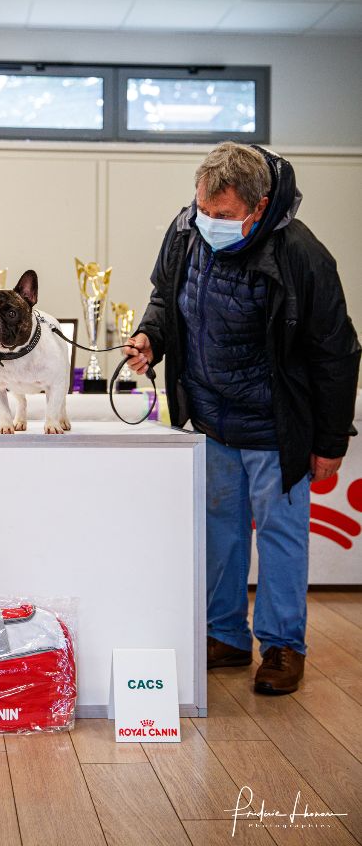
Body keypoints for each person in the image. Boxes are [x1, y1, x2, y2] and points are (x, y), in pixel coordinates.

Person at [124, 142, 360, 694]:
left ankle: (282, 646)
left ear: (260, 206)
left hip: (276, 428)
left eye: (223, 216)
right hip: (210, 417)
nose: (209, 223)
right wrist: (149, 338)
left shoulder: (302, 254)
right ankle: (226, 635)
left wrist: (330, 441)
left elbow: (337, 352)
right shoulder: (186, 230)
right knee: (219, 535)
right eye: (203, 209)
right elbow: (166, 298)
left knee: (280, 535)